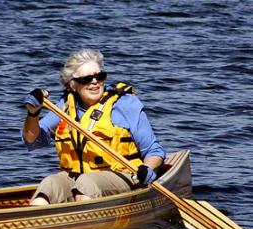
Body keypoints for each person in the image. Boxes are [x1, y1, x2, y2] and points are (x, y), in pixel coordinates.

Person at [21, 48, 166, 205]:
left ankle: (82, 225)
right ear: (72, 85)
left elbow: (154, 151)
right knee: (49, 185)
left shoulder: (124, 105)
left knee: (86, 183)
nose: (95, 82)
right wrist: (33, 114)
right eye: (86, 79)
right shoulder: (64, 108)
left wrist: (148, 169)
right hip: (78, 176)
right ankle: (39, 224)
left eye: (99, 76)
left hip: (122, 175)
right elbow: (32, 140)